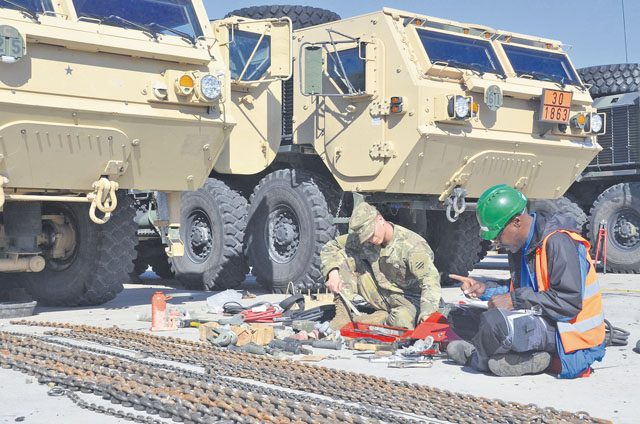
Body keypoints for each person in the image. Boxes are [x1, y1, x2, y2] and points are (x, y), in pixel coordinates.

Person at [447, 184, 606, 378]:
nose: (496, 242)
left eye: (497, 235)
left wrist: (514, 301)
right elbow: (523, 289)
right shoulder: (520, 246)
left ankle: (478, 358)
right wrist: (484, 289)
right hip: (540, 318)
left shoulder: (559, 242)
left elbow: (568, 302)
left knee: (494, 324)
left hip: (568, 333)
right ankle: (522, 357)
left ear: (516, 222)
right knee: (457, 316)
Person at [320, 202, 441, 331]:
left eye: (371, 233)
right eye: (365, 237)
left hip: (408, 299)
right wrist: (332, 273)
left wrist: (428, 313)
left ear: (380, 219)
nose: (370, 239)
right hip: (380, 292)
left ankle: (377, 319)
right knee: (341, 256)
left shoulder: (412, 246)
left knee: (402, 323)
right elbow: (330, 247)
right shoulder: (367, 239)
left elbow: (430, 280)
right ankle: (343, 316)